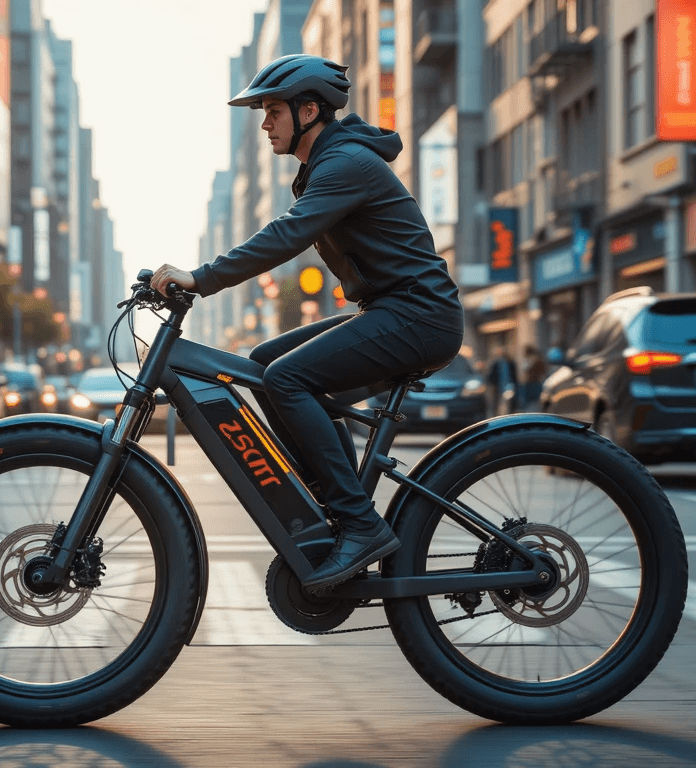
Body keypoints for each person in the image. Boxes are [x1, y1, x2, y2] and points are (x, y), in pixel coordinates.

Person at [151, 55, 464, 593]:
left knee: (287, 379)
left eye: (273, 111)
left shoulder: (345, 164)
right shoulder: (330, 163)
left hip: (419, 315)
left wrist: (200, 278)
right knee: (265, 364)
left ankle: (358, 523)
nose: (265, 123)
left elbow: (285, 236)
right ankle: (341, 506)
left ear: (310, 110)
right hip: (395, 310)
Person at [486, 347, 519, 417]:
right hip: (498, 385)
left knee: (509, 402)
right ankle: (495, 416)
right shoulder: (496, 363)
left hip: (508, 385)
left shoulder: (510, 362)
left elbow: (514, 375)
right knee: (496, 402)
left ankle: (510, 415)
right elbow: (491, 375)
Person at [520, 345, 548, 412]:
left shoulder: (532, 360)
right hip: (536, 382)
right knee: (536, 403)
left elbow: (526, 371)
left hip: (531, 383)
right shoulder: (538, 359)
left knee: (530, 404)